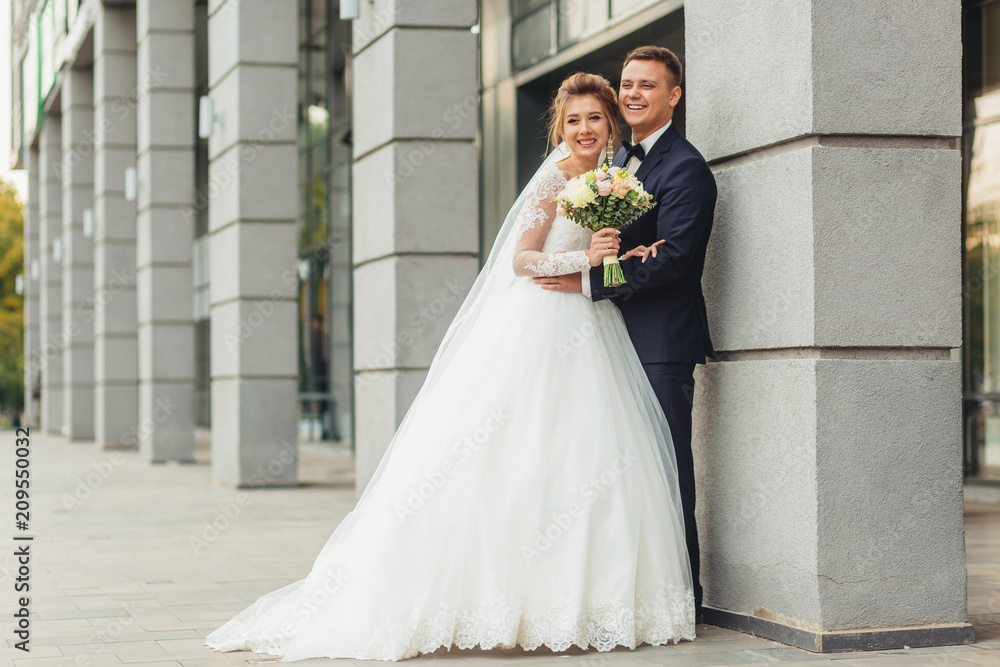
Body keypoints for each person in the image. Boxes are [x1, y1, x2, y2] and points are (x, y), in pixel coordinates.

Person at [204, 72, 695, 662]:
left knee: (591, 451)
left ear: (610, 123)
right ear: (559, 126)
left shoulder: (616, 179)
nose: (585, 129)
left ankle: (590, 599)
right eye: (573, 120)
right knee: (519, 450)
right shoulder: (555, 176)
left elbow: (642, 250)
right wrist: (581, 258)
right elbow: (520, 260)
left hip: (596, 324)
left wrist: (618, 257)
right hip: (543, 321)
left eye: (594, 118)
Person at [535, 46, 717, 623]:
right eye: (628, 83)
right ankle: (627, 594)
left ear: (674, 95)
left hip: (661, 345)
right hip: (607, 342)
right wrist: (609, 261)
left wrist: (593, 280)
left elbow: (676, 260)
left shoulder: (685, 168)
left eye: (648, 84)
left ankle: (681, 599)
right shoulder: (614, 164)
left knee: (665, 469)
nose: (634, 92)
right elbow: (623, 248)